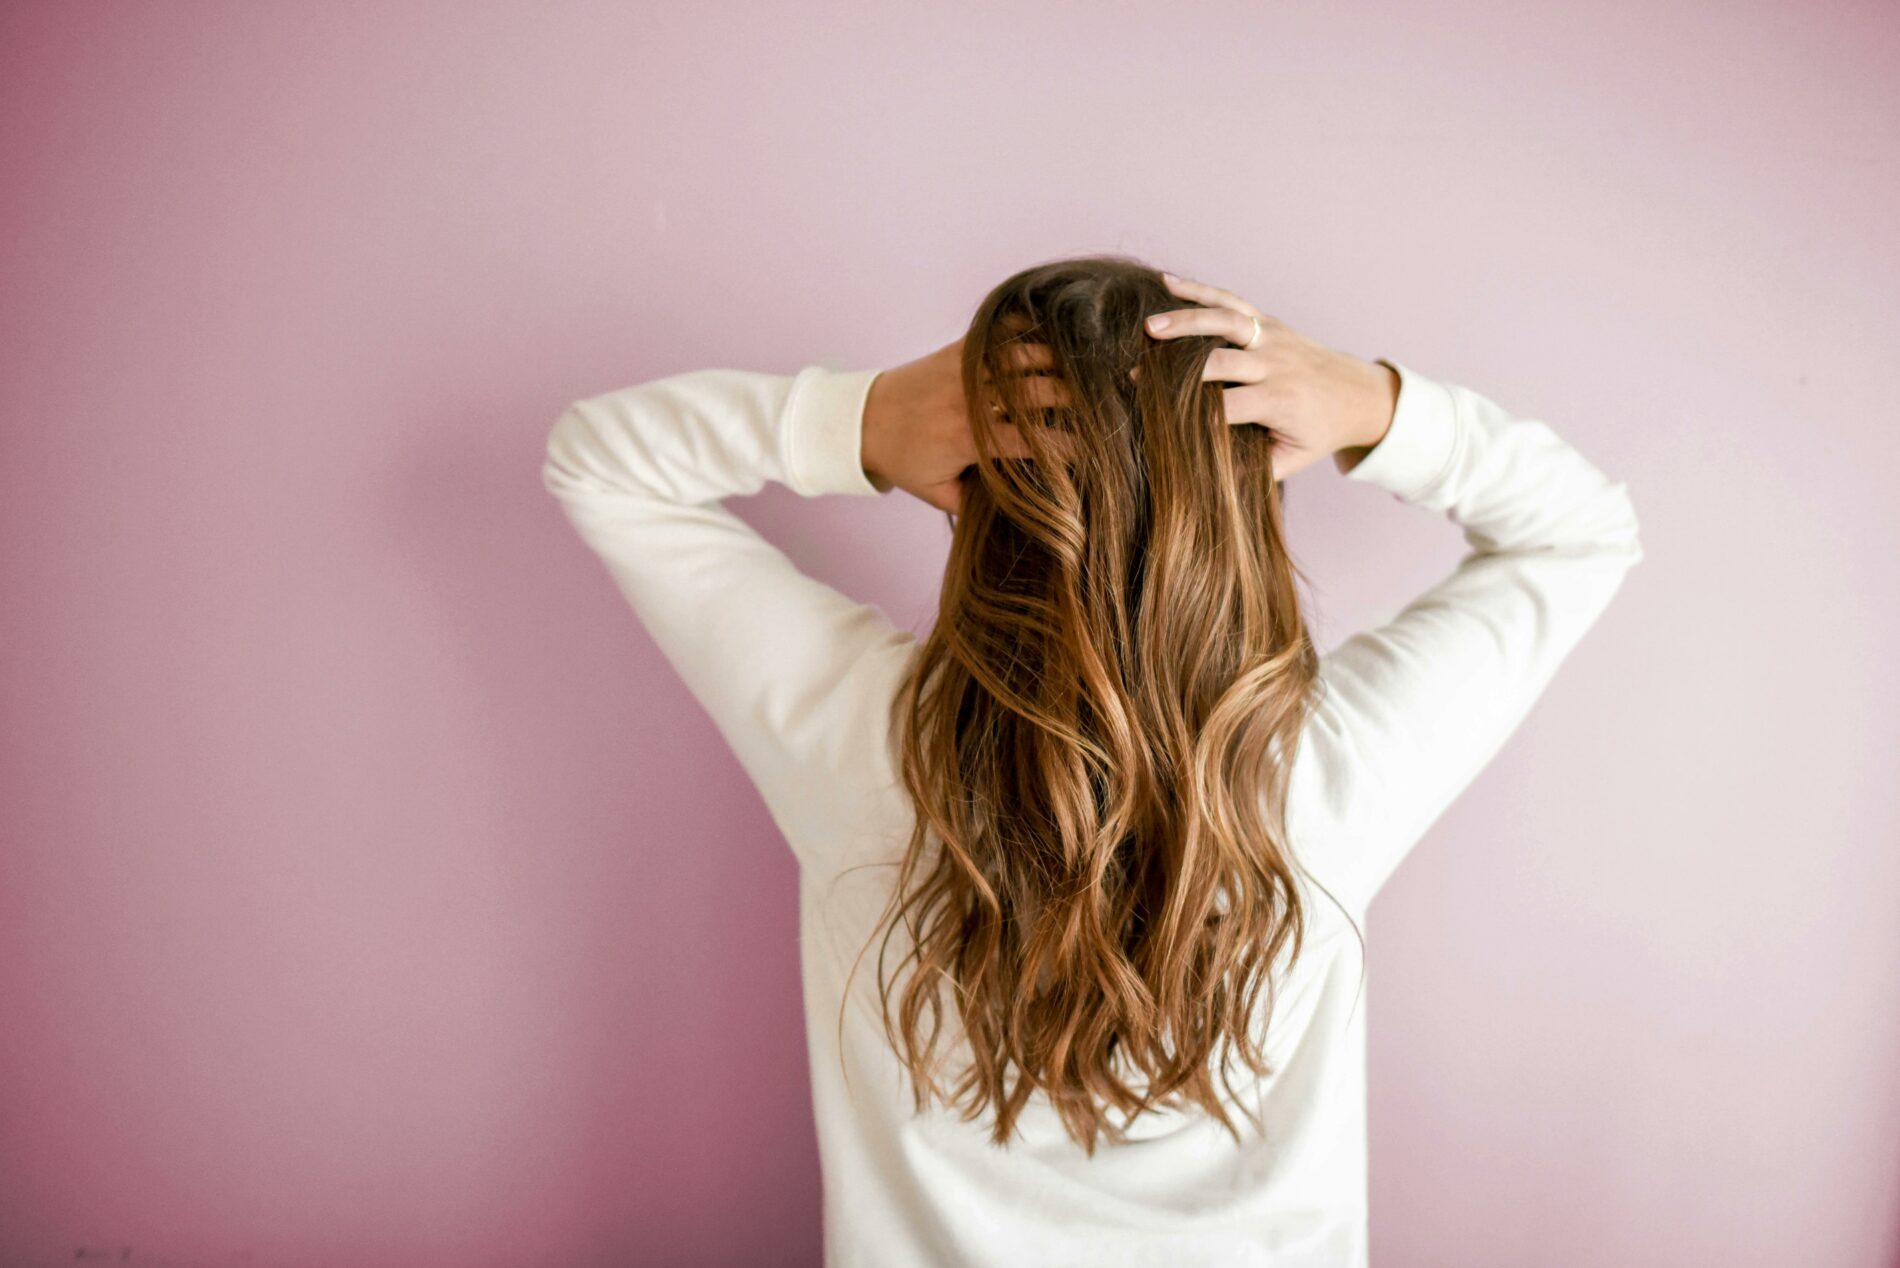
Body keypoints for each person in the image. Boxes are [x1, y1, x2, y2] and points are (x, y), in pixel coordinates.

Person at [540, 255, 1643, 1267]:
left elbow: (599, 461)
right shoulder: (1323, 775)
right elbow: (1583, 530)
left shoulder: (867, 744)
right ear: (1247, 502)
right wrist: (1371, 406)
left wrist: (864, 419)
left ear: (973, 488)